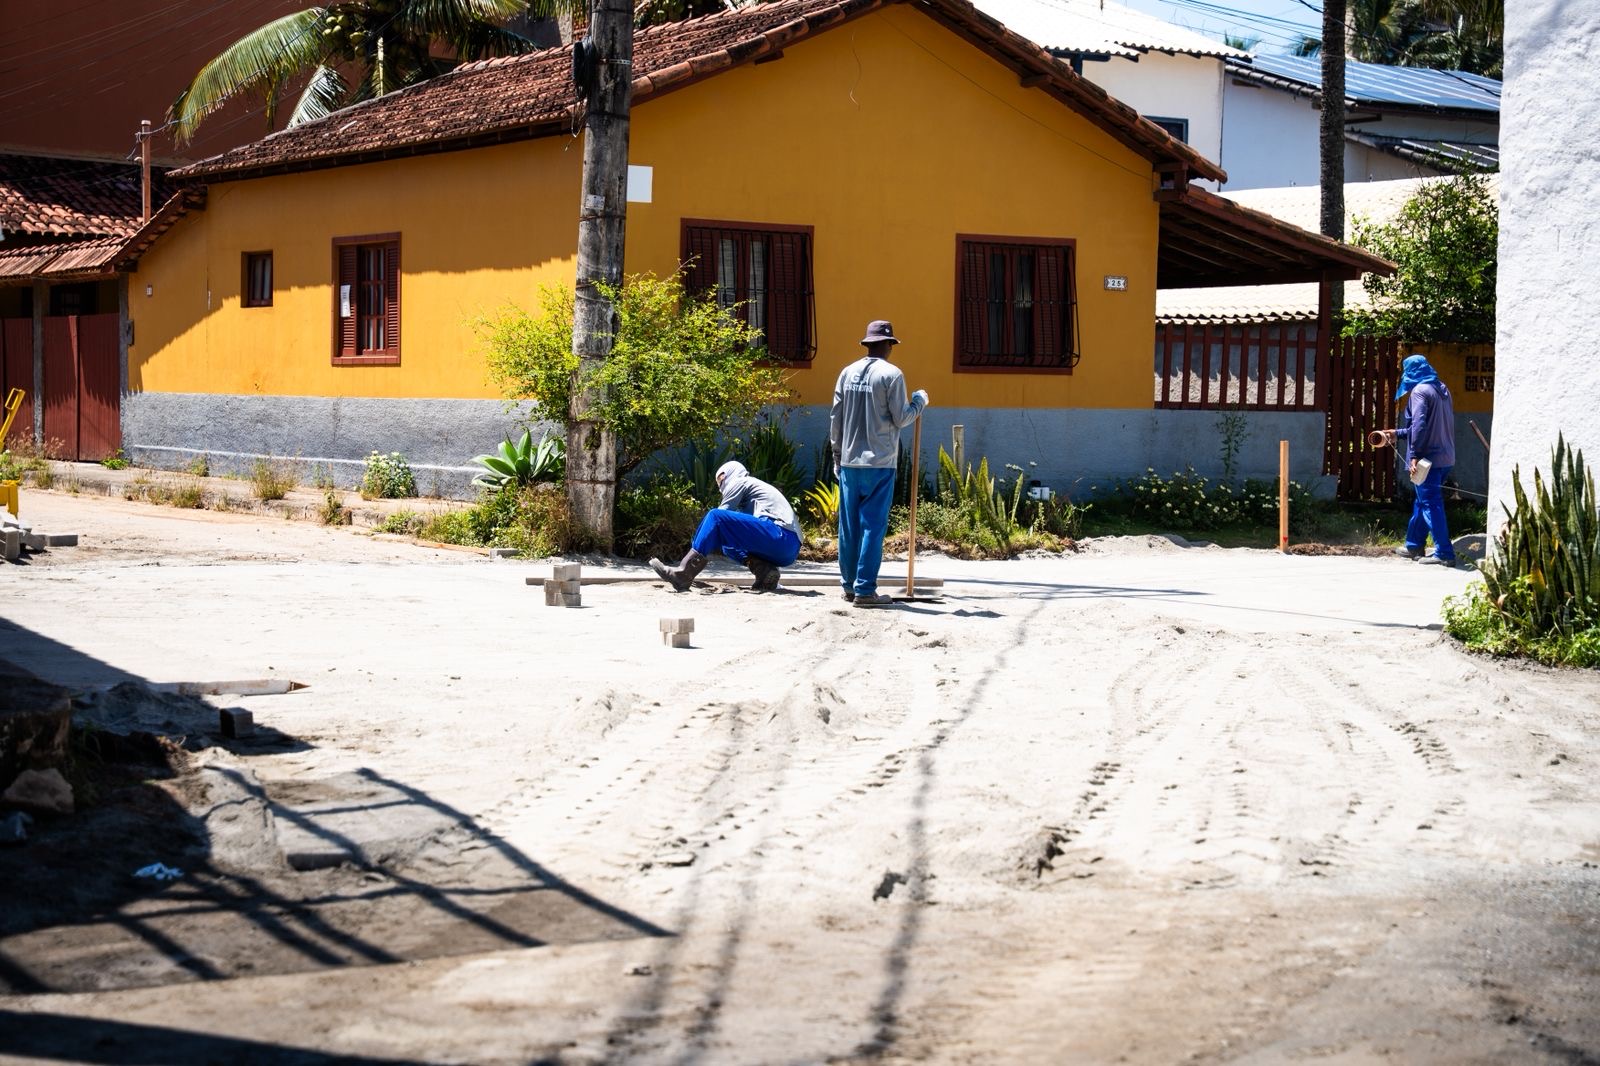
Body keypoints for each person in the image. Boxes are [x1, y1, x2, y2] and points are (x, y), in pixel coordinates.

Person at [829, 319, 928, 607]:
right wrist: (919, 401)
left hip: (849, 463)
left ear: (867, 344)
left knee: (849, 529)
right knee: (872, 526)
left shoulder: (846, 373)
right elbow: (902, 417)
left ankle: (848, 586)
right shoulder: (892, 375)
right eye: (891, 345)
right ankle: (865, 590)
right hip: (880, 463)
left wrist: (837, 457)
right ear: (887, 345)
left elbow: (836, 419)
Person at [650, 460, 801, 592]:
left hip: (781, 535)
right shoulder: (753, 492)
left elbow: (719, 517)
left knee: (715, 516)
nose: (721, 485)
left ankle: (684, 572)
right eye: (718, 482)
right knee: (728, 545)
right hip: (789, 550)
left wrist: (698, 542)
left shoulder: (742, 481)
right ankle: (765, 572)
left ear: (733, 473)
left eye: (722, 478)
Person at [1373, 353, 1457, 566]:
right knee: (1423, 502)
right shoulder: (1441, 388)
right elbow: (1423, 426)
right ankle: (1413, 545)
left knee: (1431, 504)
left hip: (1428, 459)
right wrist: (1397, 433)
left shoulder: (1419, 391)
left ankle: (1444, 553)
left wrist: (1414, 456)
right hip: (1445, 457)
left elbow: (1419, 426)